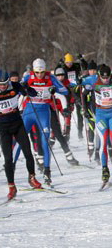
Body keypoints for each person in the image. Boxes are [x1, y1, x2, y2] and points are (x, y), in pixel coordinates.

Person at [19, 58, 69, 185]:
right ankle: (12, 170)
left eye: (42, 72)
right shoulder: (27, 77)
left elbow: (64, 91)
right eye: (37, 72)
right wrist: (23, 88)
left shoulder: (51, 78)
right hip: (29, 111)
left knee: (45, 142)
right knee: (21, 140)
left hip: (44, 112)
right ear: (33, 71)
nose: (40, 75)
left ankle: (47, 171)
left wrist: (54, 89)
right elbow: (17, 90)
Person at [0, 70, 42, 200]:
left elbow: (33, 94)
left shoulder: (15, 85)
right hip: (3, 128)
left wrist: (27, 87)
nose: (3, 86)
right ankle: (12, 187)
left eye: (5, 84)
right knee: (8, 159)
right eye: (0, 84)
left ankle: (32, 177)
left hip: (17, 124)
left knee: (28, 152)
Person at [82, 64, 112, 184]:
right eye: (103, 78)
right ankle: (104, 169)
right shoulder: (93, 80)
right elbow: (79, 83)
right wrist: (79, 82)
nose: (106, 80)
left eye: (107, 78)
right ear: (99, 75)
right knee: (103, 141)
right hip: (101, 114)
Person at [60, 53, 85, 139]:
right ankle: (67, 135)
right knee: (68, 113)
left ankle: (80, 132)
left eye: (71, 62)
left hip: (77, 90)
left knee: (80, 113)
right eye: (67, 62)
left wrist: (82, 59)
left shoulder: (76, 66)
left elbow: (85, 67)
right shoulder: (63, 68)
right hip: (68, 93)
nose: (69, 64)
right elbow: (57, 72)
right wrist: (59, 64)